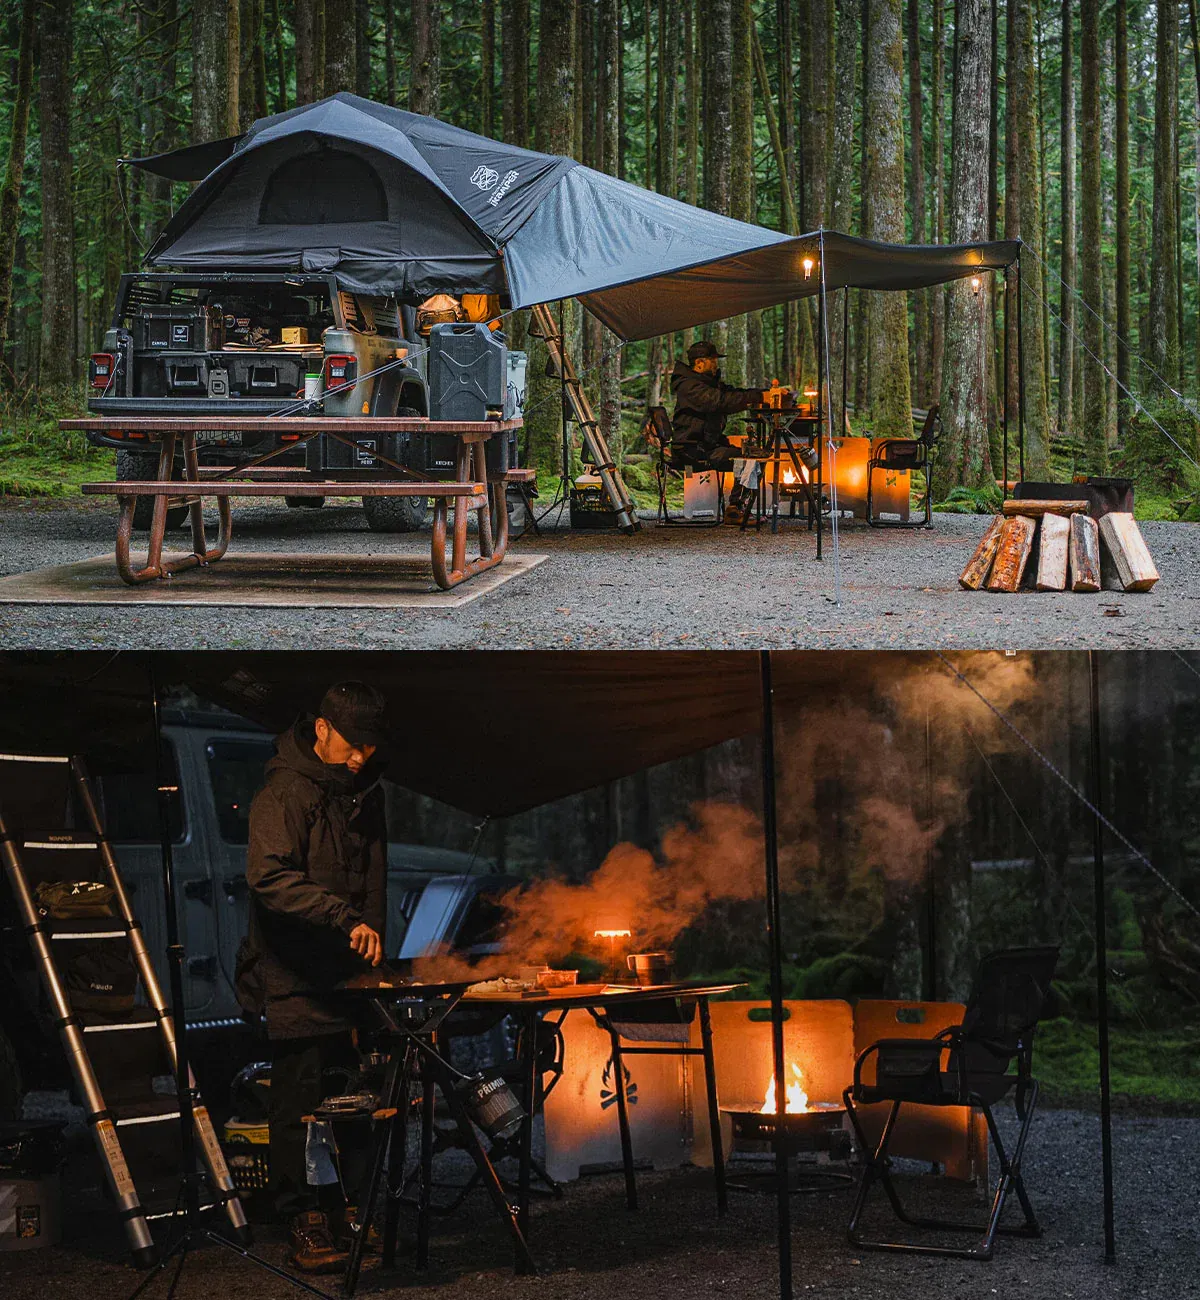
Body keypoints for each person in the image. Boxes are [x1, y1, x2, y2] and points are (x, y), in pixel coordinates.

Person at [237, 681, 389, 1274]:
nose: (359, 759)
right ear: (322, 728)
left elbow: (374, 879)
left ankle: (352, 1210)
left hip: (347, 980)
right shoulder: (284, 793)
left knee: (352, 1100)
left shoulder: (362, 790)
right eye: (351, 746)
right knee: (298, 1107)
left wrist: (371, 945)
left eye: (369, 750)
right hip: (292, 975)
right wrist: (343, 918)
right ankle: (303, 1219)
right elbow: (268, 878)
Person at [669, 340, 780, 520]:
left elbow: (733, 393)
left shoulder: (706, 384)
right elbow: (721, 401)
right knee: (749, 461)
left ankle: (736, 507)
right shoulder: (690, 387)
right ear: (700, 363)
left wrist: (765, 393)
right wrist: (760, 396)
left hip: (705, 447)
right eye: (713, 360)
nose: (716, 365)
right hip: (691, 450)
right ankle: (736, 509)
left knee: (754, 458)